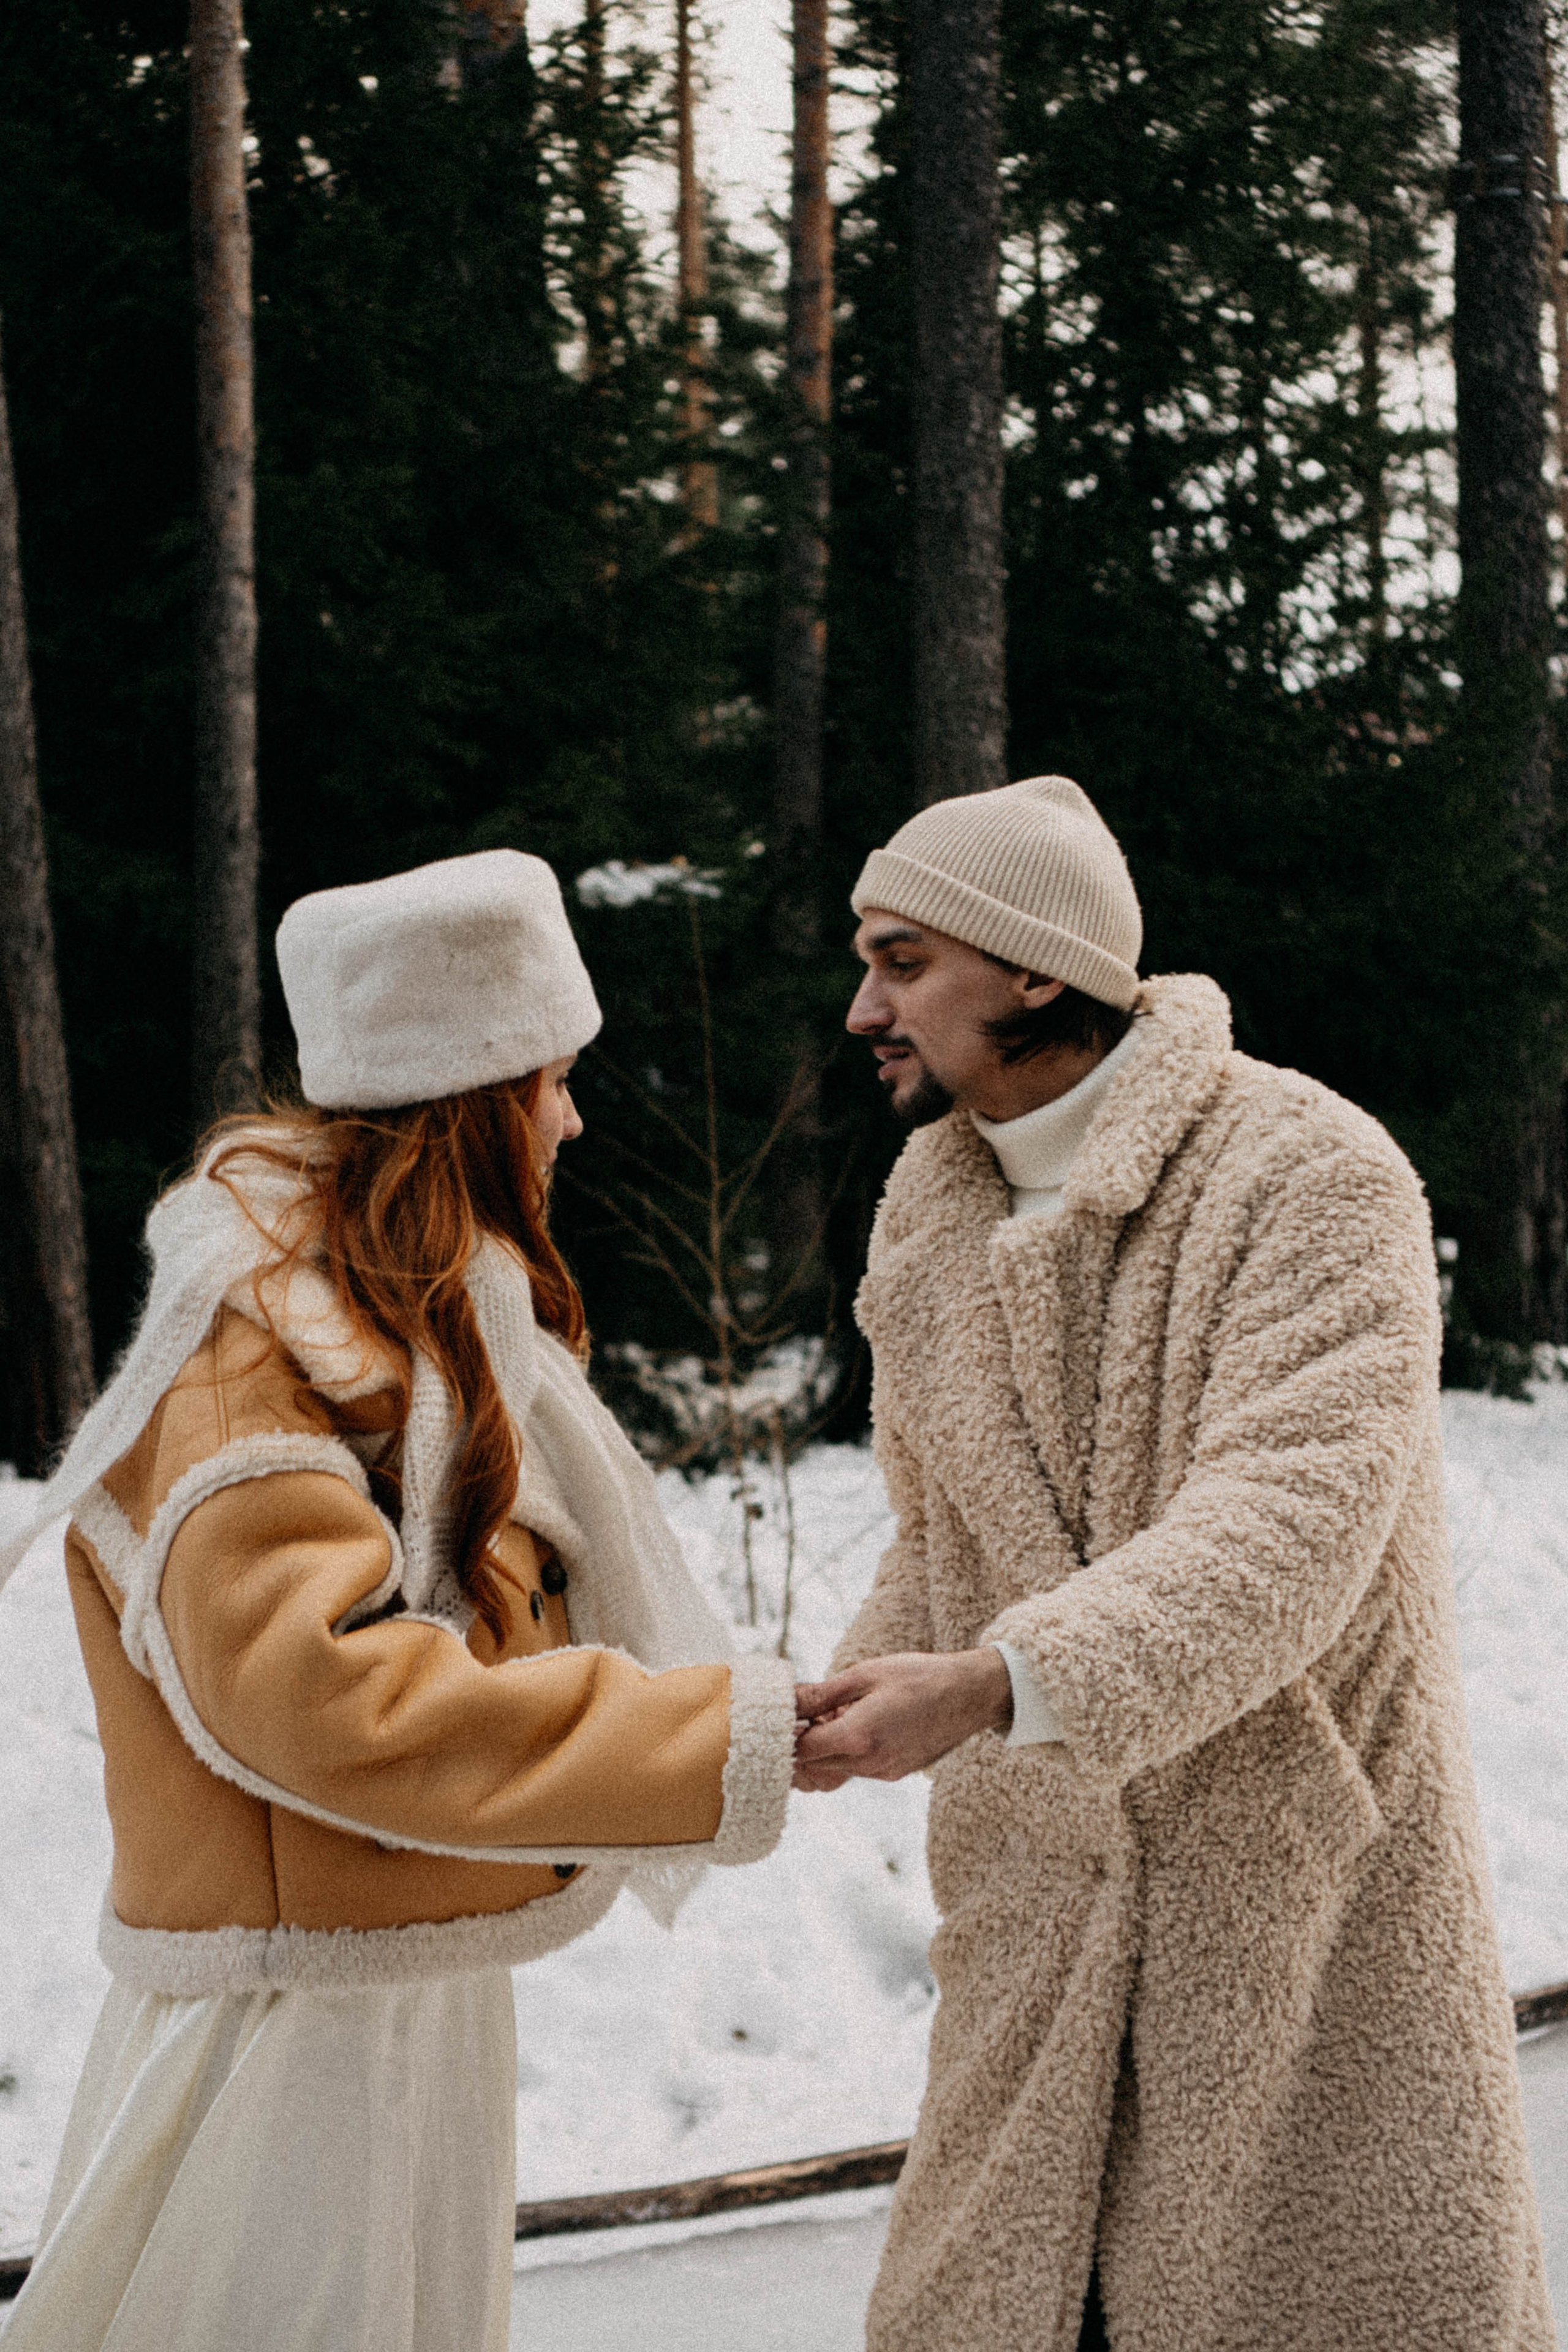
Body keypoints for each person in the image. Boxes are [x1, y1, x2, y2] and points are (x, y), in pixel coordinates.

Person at [0, 848, 796, 2352]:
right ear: (480, 1090)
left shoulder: (408, 1320)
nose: (570, 1114)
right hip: (291, 2027)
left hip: (395, 1975)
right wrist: (709, 1737)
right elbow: (320, 1695)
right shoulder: (249, 1344)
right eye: (551, 1077)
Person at [793, 777, 1552, 2352]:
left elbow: (1283, 1531)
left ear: (1030, 969)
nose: (862, 1006)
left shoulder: (1310, 1176)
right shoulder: (927, 1216)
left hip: (1288, 1908)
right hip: (1034, 1916)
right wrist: (789, 1712)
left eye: (900, 960)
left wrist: (1001, 1682)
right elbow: (945, 1548)